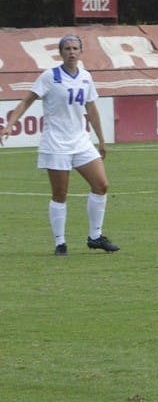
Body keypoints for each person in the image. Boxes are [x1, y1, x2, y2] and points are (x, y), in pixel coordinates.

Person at [0, 34, 120, 255]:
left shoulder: (86, 77)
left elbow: (91, 108)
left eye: (75, 48)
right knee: (60, 194)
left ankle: (95, 237)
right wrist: (10, 124)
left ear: (81, 52)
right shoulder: (49, 76)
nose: (72, 52)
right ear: (61, 52)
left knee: (101, 185)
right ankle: (60, 242)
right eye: (67, 48)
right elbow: (27, 100)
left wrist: (101, 140)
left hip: (81, 141)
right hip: (56, 143)